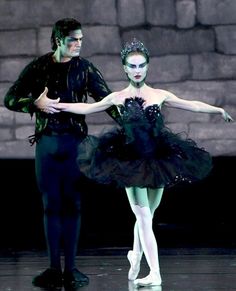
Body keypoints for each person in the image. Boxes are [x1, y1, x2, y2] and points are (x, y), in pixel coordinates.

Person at [49, 38, 233, 287]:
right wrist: (56, 106)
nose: (137, 70)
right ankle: (155, 272)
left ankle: (135, 255)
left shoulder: (159, 95)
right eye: (132, 66)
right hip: (130, 161)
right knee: (144, 217)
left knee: (148, 215)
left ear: (147, 66)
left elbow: (191, 105)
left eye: (141, 65)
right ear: (125, 68)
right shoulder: (118, 97)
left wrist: (217, 110)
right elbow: (86, 108)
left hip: (158, 159)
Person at [4, 18, 121, 289]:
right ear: (59, 39)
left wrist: (129, 125)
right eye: (73, 39)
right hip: (47, 144)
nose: (78, 44)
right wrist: (34, 103)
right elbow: (10, 98)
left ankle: (71, 268)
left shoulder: (86, 69)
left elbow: (107, 101)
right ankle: (53, 268)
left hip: (74, 145)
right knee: (50, 206)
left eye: (81, 39)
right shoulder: (38, 67)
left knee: (73, 205)